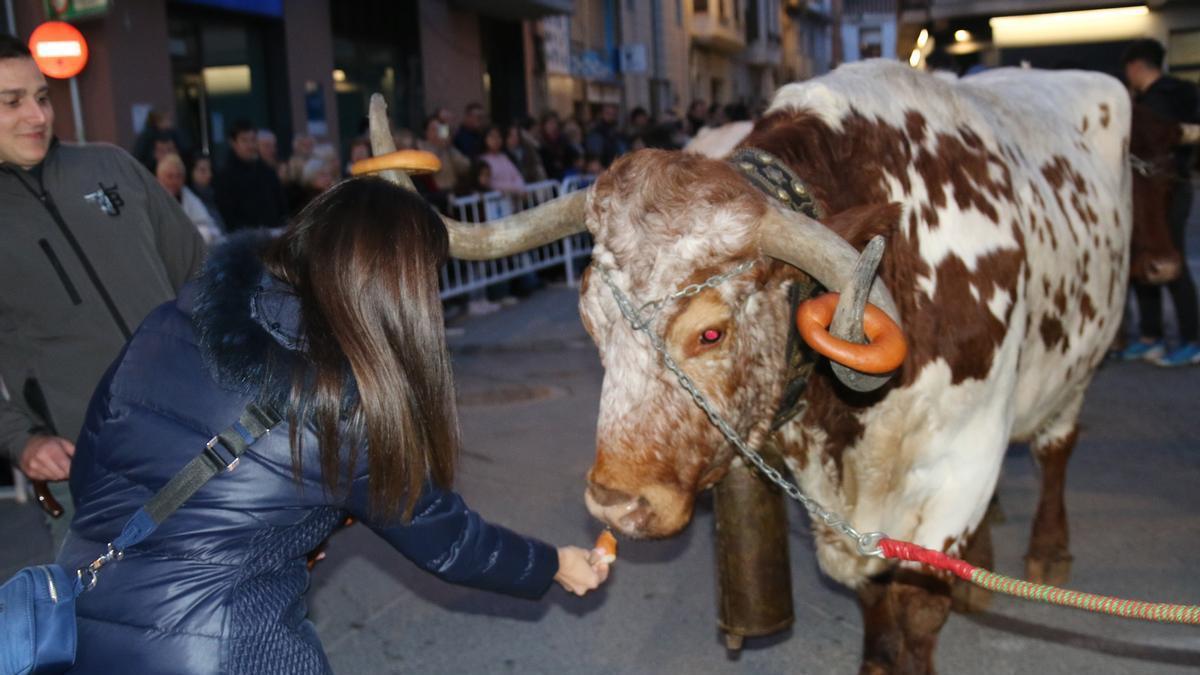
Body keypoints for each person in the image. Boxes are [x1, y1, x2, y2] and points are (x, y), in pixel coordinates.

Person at [56, 177, 610, 672]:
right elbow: (450, 542)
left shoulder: (164, 323)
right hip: (223, 649)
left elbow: (90, 476)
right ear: (399, 292)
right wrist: (554, 564)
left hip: (77, 622)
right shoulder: (345, 409)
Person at [0, 34, 204, 549]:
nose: (37, 116)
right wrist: (20, 440)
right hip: (91, 471)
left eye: (42, 97)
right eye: (12, 102)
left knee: (261, 608)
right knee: (116, 626)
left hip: (200, 438)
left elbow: (202, 278)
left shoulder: (110, 166)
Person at [1119, 39, 1200, 366]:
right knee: (1145, 259)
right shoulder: (1181, 95)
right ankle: (1151, 337)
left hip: (1162, 193)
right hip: (1164, 190)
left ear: (1136, 67)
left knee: (1169, 259)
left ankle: (1191, 340)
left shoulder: (1154, 104)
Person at [213, 118, 288, 233]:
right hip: (243, 239)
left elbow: (281, 206)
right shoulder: (225, 177)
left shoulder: (268, 172)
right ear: (233, 143)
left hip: (273, 235)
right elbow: (227, 214)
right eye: (244, 140)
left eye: (253, 140)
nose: (250, 145)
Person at [156, 152, 222, 244]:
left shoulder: (189, 198)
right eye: (169, 176)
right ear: (159, 178)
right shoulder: (151, 200)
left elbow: (210, 229)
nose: (174, 181)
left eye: (178, 176)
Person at [189, 152, 225, 232]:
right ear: (192, 172)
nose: (209, 174)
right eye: (202, 170)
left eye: (210, 169)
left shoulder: (215, 194)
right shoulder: (189, 198)